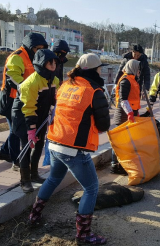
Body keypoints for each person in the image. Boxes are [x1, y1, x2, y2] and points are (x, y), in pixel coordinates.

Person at [28, 53, 110, 245]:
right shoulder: (94, 91)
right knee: (91, 188)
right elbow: (104, 125)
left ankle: (34, 216)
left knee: (54, 178)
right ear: (95, 70)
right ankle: (83, 234)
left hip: (55, 142)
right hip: (74, 148)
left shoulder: (65, 85)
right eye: (100, 68)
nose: (102, 71)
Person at [0, 32, 48, 170]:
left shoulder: (32, 57)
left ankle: (4, 151)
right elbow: (12, 76)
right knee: (16, 131)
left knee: (16, 129)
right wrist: (26, 88)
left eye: (42, 48)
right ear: (30, 47)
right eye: (37, 48)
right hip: (11, 99)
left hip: (22, 98)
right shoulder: (17, 56)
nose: (39, 51)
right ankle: (17, 160)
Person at [11, 49, 60, 193]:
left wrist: (53, 112)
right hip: (24, 115)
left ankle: (34, 174)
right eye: (49, 62)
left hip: (41, 115)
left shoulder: (54, 79)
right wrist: (31, 129)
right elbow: (28, 107)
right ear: (41, 64)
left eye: (54, 62)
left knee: (39, 146)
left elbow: (53, 99)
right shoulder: (31, 82)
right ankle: (24, 180)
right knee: (26, 146)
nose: (53, 65)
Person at [111, 59, 141, 174]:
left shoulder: (133, 80)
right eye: (138, 68)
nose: (139, 70)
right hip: (124, 115)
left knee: (126, 142)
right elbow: (123, 100)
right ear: (133, 68)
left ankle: (122, 165)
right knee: (120, 142)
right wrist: (130, 113)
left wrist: (135, 112)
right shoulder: (125, 81)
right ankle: (115, 165)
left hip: (130, 114)